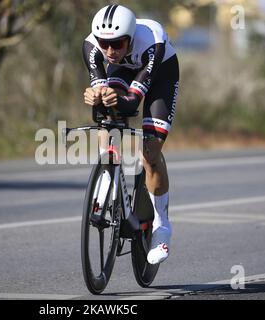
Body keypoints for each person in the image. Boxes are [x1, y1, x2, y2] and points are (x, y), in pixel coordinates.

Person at [82, 4, 179, 265]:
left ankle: (162, 226)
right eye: (105, 44)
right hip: (124, 74)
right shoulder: (91, 47)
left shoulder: (152, 42)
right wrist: (95, 96)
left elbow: (131, 102)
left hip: (160, 75)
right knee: (106, 113)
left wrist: (115, 99)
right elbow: (103, 92)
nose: (110, 52)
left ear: (131, 38)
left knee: (150, 153)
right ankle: (106, 175)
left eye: (118, 44)